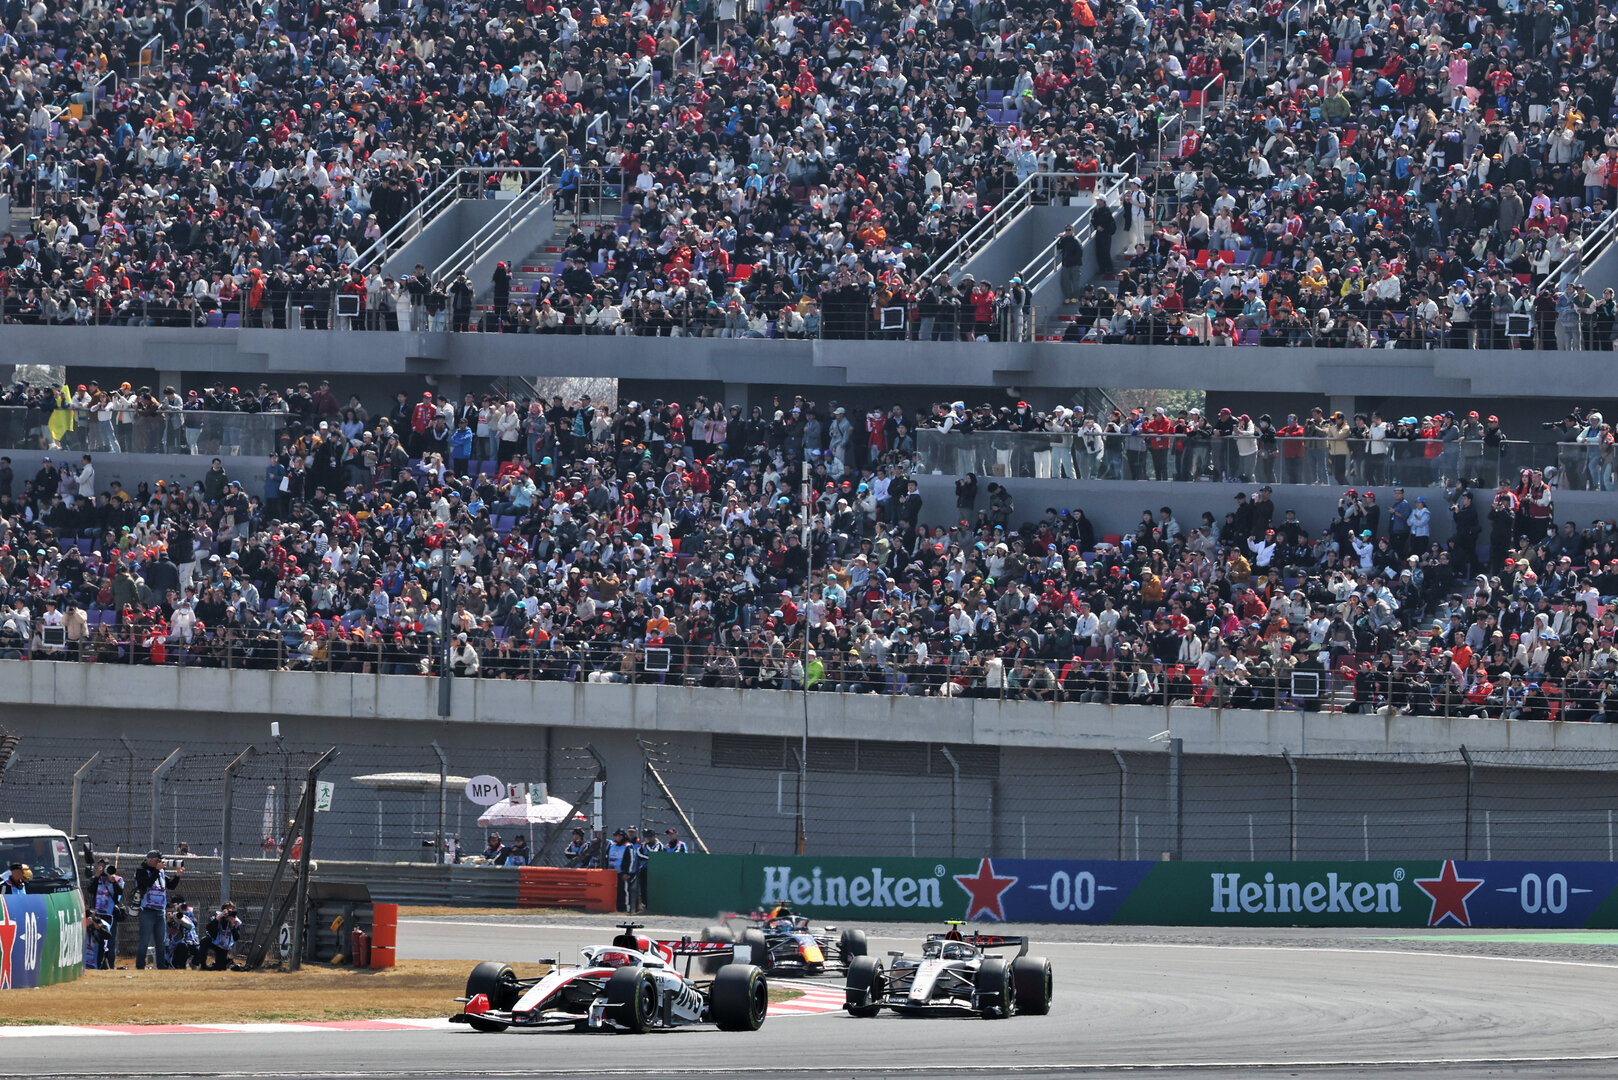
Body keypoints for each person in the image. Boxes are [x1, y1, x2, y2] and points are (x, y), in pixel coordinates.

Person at [134, 849, 181, 970]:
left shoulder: (161, 872)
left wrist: (177, 875)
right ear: (150, 860)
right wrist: (157, 870)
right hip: (147, 911)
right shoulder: (141, 871)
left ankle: (161, 966)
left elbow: (171, 885)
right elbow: (147, 883)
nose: (160, 862)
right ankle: (140, 965)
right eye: (157, 860)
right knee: (144, 940)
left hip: (160, 911)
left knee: (161, 941)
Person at [201, 902, 242, 970]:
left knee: (220, 968)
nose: (229, 913)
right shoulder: (217, 916)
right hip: (214, 941)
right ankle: (202, 965)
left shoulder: (235, 921)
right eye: (228, 911)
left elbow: (236, 938)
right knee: (204, 941)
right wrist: (218, 918)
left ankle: (216, 965)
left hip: (223, 946)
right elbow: (209, 928)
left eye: (231, 911)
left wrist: (232, 926)